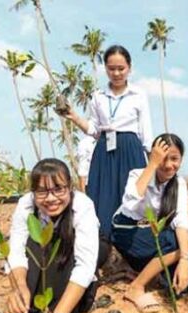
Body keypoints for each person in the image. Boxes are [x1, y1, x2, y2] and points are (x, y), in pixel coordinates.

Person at [6, 158, 110, 313]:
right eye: (42, 191)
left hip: (83, 244)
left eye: (59, 189)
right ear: (33, 192)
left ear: (70, 188)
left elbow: (84, 265)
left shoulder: (82, 205)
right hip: (48, 243)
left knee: (66, 295)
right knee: (33, 252)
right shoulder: (26, 205)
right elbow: (16, 251)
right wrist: (19, 287)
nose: (51, 199)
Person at [64, 45, 153, 238]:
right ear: (105, 68)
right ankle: (103, 244)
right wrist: (74, 117)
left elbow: (146, 132)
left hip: (130, 148)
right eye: (111, 68)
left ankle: (130, 246)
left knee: (131, 197)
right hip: (104, 149)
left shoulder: (139, 95)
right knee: (102, 197)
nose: (116, 73)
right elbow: (94, 130)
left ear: (129, 67)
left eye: (121, 68)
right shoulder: (98, 96)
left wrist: (151, 164)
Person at [111, 134, 188, 312]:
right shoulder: (138, 174)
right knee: (175, 243)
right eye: (163, 158)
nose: (169, 165)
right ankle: (136, 287)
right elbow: (130, 202)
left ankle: (164, 280)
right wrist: (152, 164)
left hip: (153, 234)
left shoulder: (179, 183)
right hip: (128, 232)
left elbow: (181, 218)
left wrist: (184, 259)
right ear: (153, 156)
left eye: (175, 159)